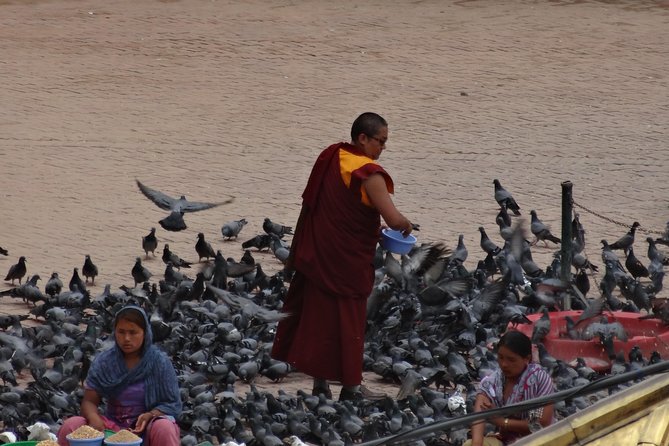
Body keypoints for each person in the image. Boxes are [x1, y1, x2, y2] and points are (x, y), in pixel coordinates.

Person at [271, 112, 414, 401]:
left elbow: (310, 205)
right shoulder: (369, 174)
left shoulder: (332, 156)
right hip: (345, 262)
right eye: (381, 142)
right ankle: (351, 387)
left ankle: (320, 384)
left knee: (320, 320)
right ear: (363, 138)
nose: (383, 149)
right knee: (349, 321)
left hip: (320, 254)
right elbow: (393, 217)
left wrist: (296, 252)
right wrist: (405, 225)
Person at [57, 305, 181, 446]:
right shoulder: (105, 362)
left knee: (164, 427)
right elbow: (89, 401)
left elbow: (171, 404)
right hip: (111, 429)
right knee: (71, 425)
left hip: (145, 428)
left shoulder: (159, 363)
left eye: (133, 332)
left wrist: (150, 415)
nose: (126, 338)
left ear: (145, 333)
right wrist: (93, 418)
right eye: (121, 332)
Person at [466, 331, 555, 446]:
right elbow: (480, 412)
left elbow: (538, 425)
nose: (504, 364)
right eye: (501, 357)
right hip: (507, 441)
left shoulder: (538, 379)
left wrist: (502, 422)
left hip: (538, 441)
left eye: (511, 360)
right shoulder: (494, 381)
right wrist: (477, 443)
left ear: (526, 359)